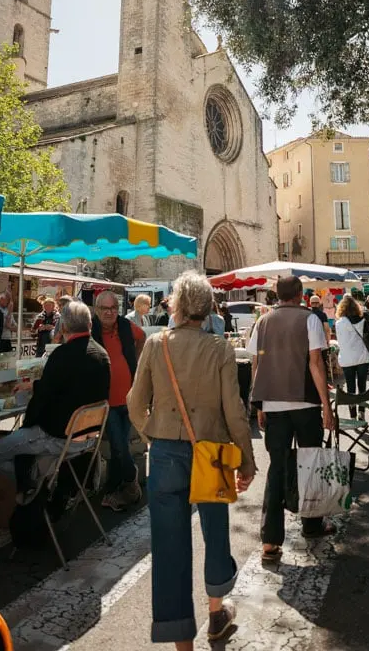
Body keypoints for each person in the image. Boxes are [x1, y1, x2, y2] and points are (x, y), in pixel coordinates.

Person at [128, 270, 255, 649]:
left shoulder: (156, 344)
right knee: (215, 534)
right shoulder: (220, 348)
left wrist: (153, 435)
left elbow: (135, 402)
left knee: (169, 547)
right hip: (211, 452)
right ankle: (217, 614)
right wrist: (246, 460)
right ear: (207, 308)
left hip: (166, 451)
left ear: (178, 306)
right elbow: (234, 410)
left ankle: (184, 644)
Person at [249, 275, 336, 564]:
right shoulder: (309, 319)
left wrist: (259, 404)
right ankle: (312, 525)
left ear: (276, 295)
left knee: (276, 468)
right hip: (305, 401)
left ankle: (270, 540)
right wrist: (326, 405)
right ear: (299, 294)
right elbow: (315, 362)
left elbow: (257, 363)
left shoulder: (262, 321)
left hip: (272, 403)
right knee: (309, 461)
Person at [0, 301, 110, 499]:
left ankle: (35, 488)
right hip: (88, 439)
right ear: (89, 325)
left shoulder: (62, 355)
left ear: (63, 327)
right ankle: (40, 481)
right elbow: (69, 386)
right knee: (30, 454)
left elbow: (42, 399)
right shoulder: (103, 354)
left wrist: (27, 424)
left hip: (58, 437)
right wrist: (35, 386)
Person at [91, 290, 146, 511]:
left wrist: (137, 358)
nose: (110, 312)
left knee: (118, 448)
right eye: (105, 308)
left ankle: (114, 490)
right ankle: (132, 480)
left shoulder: (124, 325)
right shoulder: (91, 329)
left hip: (130, 398)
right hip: (108, 401)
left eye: (114, 308)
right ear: (97, 310)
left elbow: (142, 338)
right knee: (119, 446)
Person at [335, 296, 369, 417]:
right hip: (362, 356)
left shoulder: (339, 323)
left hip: (347, 357)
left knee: (350, 387)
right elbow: (368, 339)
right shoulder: (363, 320)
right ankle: (361, 412)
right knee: (362, 385)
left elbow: (340, 341)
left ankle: (352, 414)